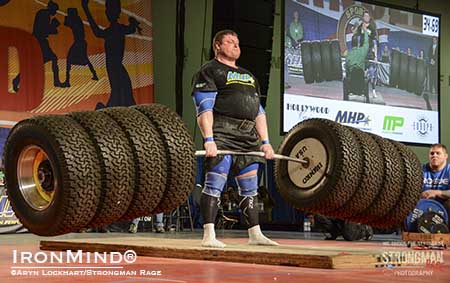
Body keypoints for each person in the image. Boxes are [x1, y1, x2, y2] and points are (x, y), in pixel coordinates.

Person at [191, 29, 278, 248]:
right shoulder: (209, 71)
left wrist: (266, 142)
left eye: (237, 42)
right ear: (217, 46)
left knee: (250, 189)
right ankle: (209, 235)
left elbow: (259, 112)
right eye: (230, 42)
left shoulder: (249, 76)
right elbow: (204, 108)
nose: (236, 45)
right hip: (223, 133)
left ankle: (255, 234)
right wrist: (209, 139)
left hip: (248, 137)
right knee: (214, 184)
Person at [353, 11, 378, 98]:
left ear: (369, 18)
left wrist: (375, 57)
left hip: (370, 53)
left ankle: (374, 91)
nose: (366, 17)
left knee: (371, 73)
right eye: (365, 16)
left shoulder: (372, 28)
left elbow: (374, 43)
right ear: (363, 17)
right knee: (358, 72)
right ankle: (356, 90)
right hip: (362, 52)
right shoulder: (360, 27)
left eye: (368, 16)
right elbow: (358, 40)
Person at [421, 144, 450, 216]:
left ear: (446, 156)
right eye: (432, 153)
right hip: (422, 206)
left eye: (438, 153)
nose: (434, 155)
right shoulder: (420, 170)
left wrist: (437, 193)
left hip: (444, 207)